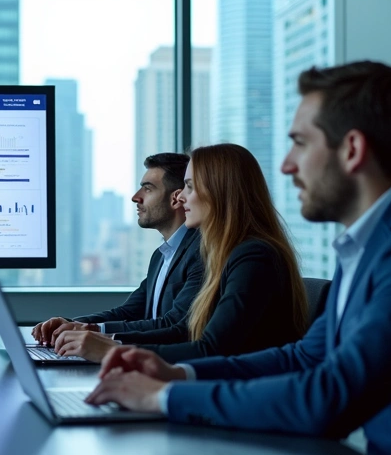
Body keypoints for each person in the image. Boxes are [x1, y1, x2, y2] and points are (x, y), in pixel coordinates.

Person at [85, 61, 391, 455]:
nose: (286, 166)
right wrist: (178, 374)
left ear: (352, 150)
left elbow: (331, 396)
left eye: (301, 144)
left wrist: (161, 398)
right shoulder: (373, 243)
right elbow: (304, 357)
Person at [53, 144, 309, 363]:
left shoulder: (253, 257)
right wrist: (85, 329)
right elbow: (140, 313)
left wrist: (112, 349)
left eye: (189, 186)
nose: (181, 197)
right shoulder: (227, 254)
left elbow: (209, 347)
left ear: (218, 191)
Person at [32, 153, 204, 345]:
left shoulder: (200, 252)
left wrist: (94, 331)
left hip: (170, 364)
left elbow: (174, 324)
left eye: (147, 189)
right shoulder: (161, 256)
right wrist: (72, 324)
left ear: (176, 198)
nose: (135, 197)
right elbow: (128, 312)